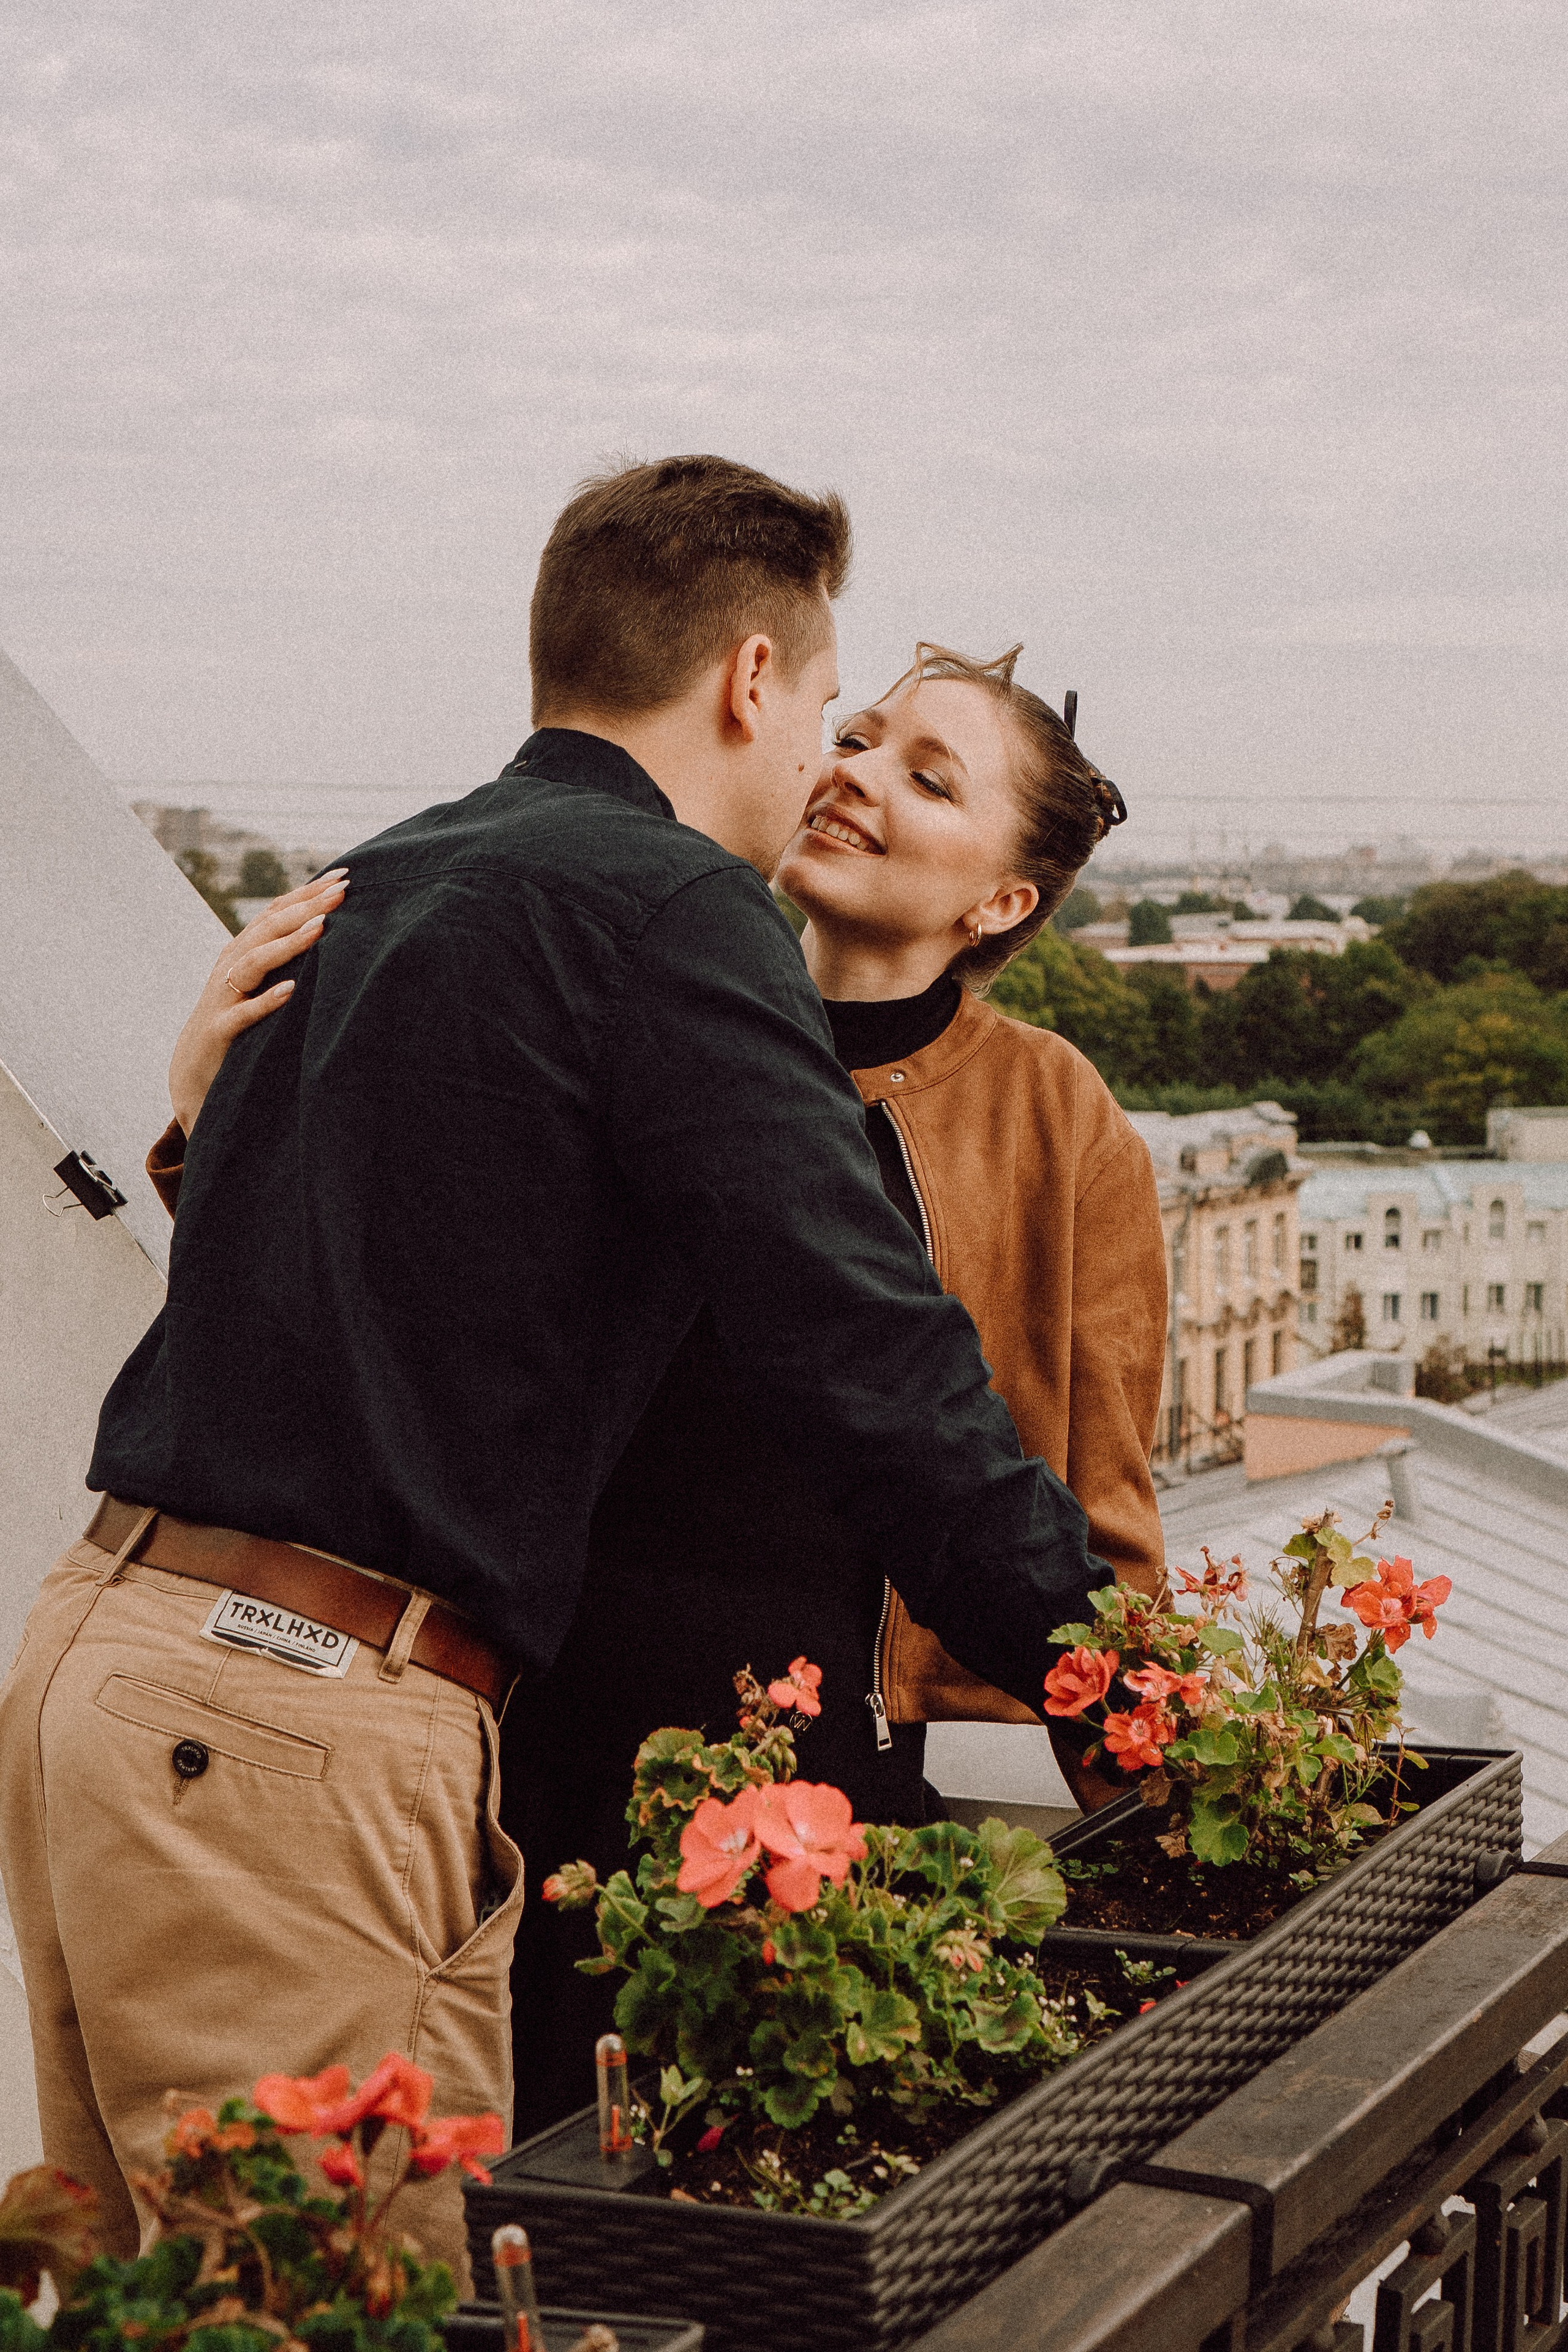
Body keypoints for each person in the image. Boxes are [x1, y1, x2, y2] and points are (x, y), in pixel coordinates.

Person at [0, 456, 1110, 2263]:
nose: (823, 750)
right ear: (750, 678)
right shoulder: (676, 912)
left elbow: (379, 1281)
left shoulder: (389, 875)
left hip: (106, 1676)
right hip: (296, 1720)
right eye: (831, 704)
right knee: (348, 2301)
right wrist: (1121, 1682)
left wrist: (197, 1133)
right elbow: (873, 1363)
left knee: (167, 2300)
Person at [150, 641, 1169, 2140]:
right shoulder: (653, 997)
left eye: (927, 776)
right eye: (863, 733)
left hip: (817, 1759)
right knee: (533, 2173)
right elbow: (402, 1300)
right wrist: (204, 1127)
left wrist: (1162, 1776)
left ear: (1001, 902)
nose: (856, 774)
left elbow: (1096, 1489)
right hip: (534, 1729)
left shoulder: (1052, 1115)